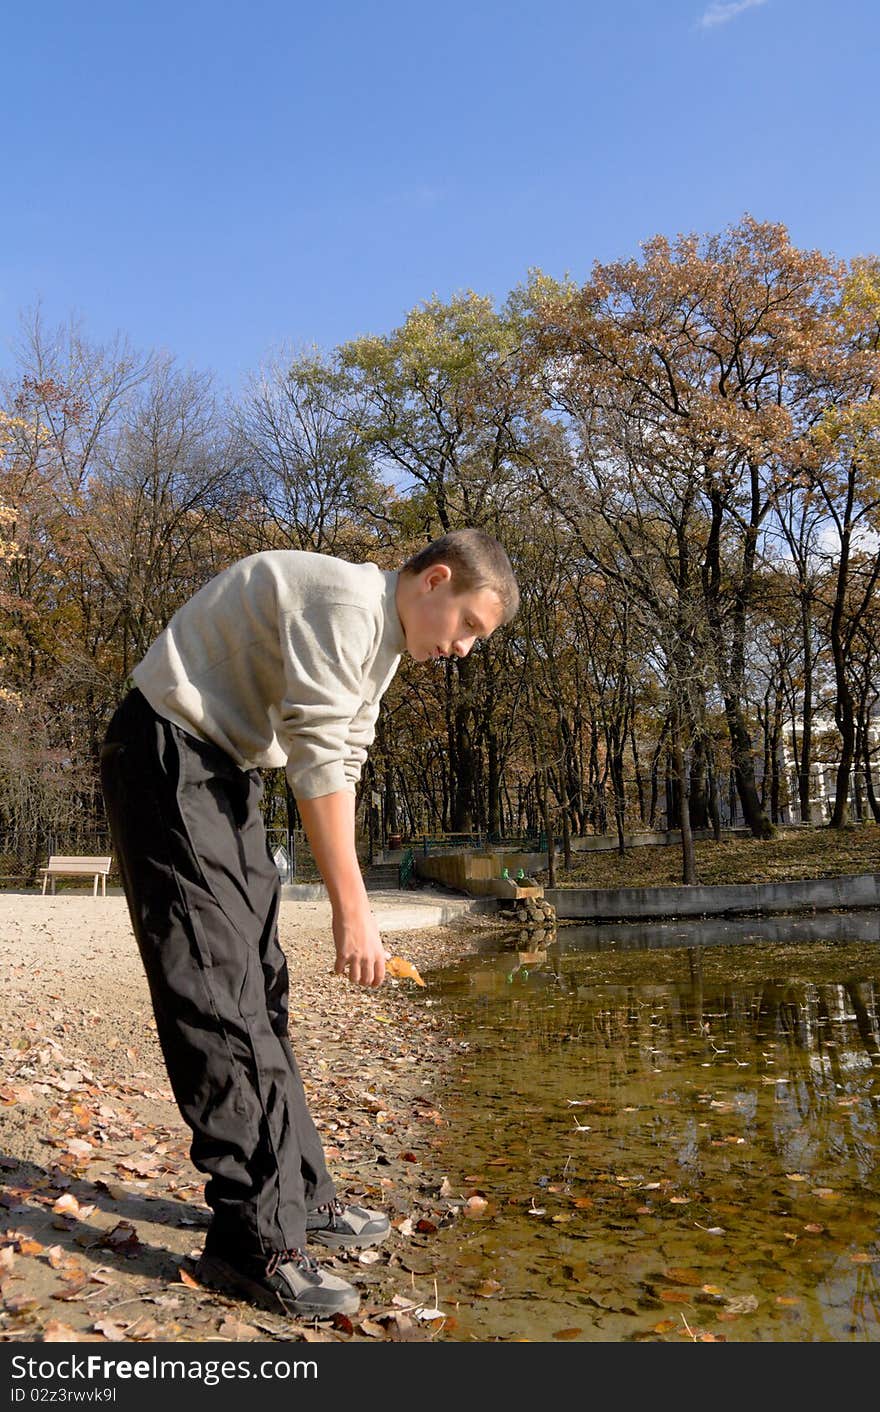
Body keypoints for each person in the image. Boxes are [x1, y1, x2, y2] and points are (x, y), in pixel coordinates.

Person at [99, 528, 519, 1320]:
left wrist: (352, 903)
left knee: (262, 987)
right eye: (469, 627)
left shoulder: (383, 639)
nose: (464, 649)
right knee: (217, 1001)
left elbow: (347, 751)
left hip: (221, 770)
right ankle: (250, 1243)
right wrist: (353, 912)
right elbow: (319, 761)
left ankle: (300, 1196)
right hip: (166, 756)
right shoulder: (343, 605)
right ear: (434, 582)